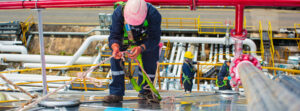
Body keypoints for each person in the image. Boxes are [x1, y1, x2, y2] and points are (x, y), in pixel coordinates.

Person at [104, 0, 161, 103]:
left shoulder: (153, 15)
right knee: (115, 58)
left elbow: (154, 39)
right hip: (124, 37)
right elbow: (114, 35)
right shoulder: (118, 13)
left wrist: (141, 48)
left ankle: (146, 91)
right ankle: (116, 92)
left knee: (150, 57)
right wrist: (115, 47)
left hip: (145, 40)